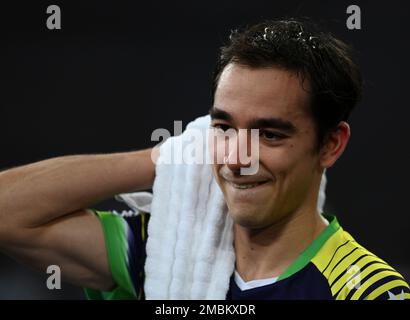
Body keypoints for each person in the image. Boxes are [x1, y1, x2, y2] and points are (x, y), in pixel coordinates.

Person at [0, 18, 408, 300]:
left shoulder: (366, 291)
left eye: (269, 134)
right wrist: (164, 158)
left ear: (330, 144)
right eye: (224, 129)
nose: (236, 160)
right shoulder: (163, 248)